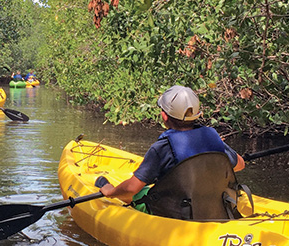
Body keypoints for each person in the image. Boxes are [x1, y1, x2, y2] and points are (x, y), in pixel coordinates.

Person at [99, 85, 245, 220]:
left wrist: (110, 192)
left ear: (164, 116)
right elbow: (239, 165)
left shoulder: (162, 148)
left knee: (139, 192)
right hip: (211, 208)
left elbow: (131, 188)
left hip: (176, 213)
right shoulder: (211, 137)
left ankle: (105, 186)